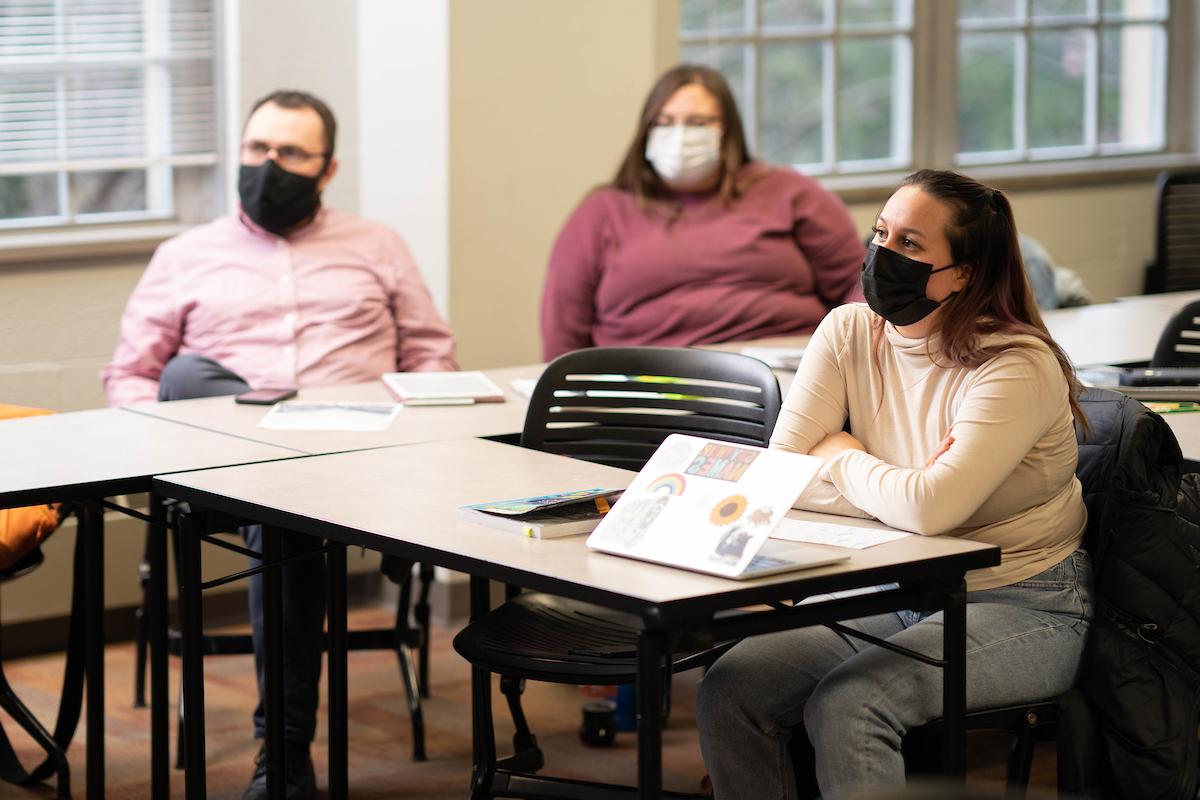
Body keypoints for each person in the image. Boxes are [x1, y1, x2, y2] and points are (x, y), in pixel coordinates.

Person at [102, 90, 456, 800]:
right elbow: (130, 378)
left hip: (357, 462)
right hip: (225, 466)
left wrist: (415, 440)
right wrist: (176, 438)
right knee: (191, 378)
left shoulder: (377, 244)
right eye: (258, 149)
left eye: (291, 153)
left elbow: (431, 358)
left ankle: (285, 751)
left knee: (285, 508)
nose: (270, 165)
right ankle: (288, 750)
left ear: (327, 170)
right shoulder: (184, 256)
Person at [695, 170, 1093, 799]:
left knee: (851, 705)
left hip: (1022, 600)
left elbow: (932, 509)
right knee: (732, 687)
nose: (883, 255)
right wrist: (897, 493)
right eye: (880, 233)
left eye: (910, 244)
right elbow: (781, 474)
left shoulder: (1015, 364)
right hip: (893, 580)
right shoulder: (849, 331)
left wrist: (842, 454)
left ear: (964, 272)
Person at [540, 64, 863, 361]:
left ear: (728, 130)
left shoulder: (790, 192)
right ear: (646, 132)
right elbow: (563, 331)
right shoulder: (602, 210)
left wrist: (840, 361)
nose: (680, 136)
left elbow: (863, 285)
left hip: (783, 377)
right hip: (646, 385)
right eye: (665, 122)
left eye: (698, 122)